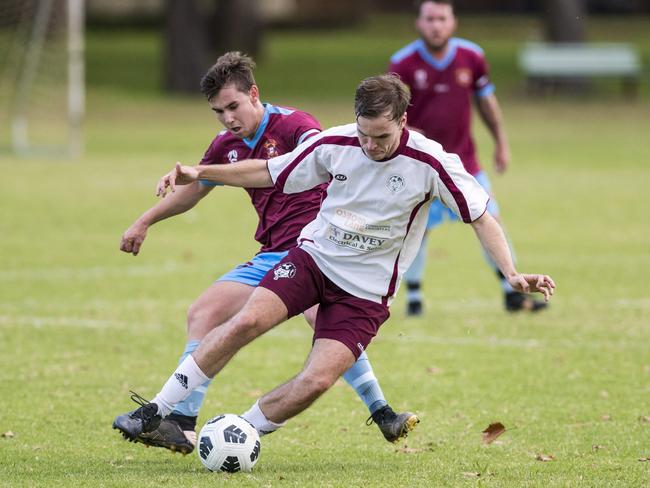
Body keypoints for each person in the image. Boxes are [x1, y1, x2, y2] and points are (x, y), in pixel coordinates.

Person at [112, 74, 555, 449]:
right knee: (245, 322)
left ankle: (243, 431)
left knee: (317, 381)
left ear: (403, 121)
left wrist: (511, 273)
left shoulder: (431, 162)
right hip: (311, 260)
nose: (370, 145)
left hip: (365, 294)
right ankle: (157, 409)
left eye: (381, 137)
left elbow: (480, 216)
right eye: (364, 133)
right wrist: (201, 171)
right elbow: (270, 172)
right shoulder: (336, 143)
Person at [117, 53, 417, 454]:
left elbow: (326, 159)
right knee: (203, 312)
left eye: (233, 106)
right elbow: (195, 190)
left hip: (315, 249)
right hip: (272, 251)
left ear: (253, 94)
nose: (227, 118)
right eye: (218, 111)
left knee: (323, 320)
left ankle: (382, 411)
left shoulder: (296, 126)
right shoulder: (227, 145)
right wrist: (145, 220)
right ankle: (182, 423)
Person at [389, 0, 547, 316]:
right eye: (430, 19)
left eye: (442, 18)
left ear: (453, 22)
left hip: (466, 165)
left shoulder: (471, 56)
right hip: (422, 166)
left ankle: (511, 291)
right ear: (419, 24)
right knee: (418, 229)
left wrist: (501, 142)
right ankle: (415, 299)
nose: (436, 25)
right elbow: (394, 116)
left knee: (490, 219)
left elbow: (487, 104)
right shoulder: (403, 63)